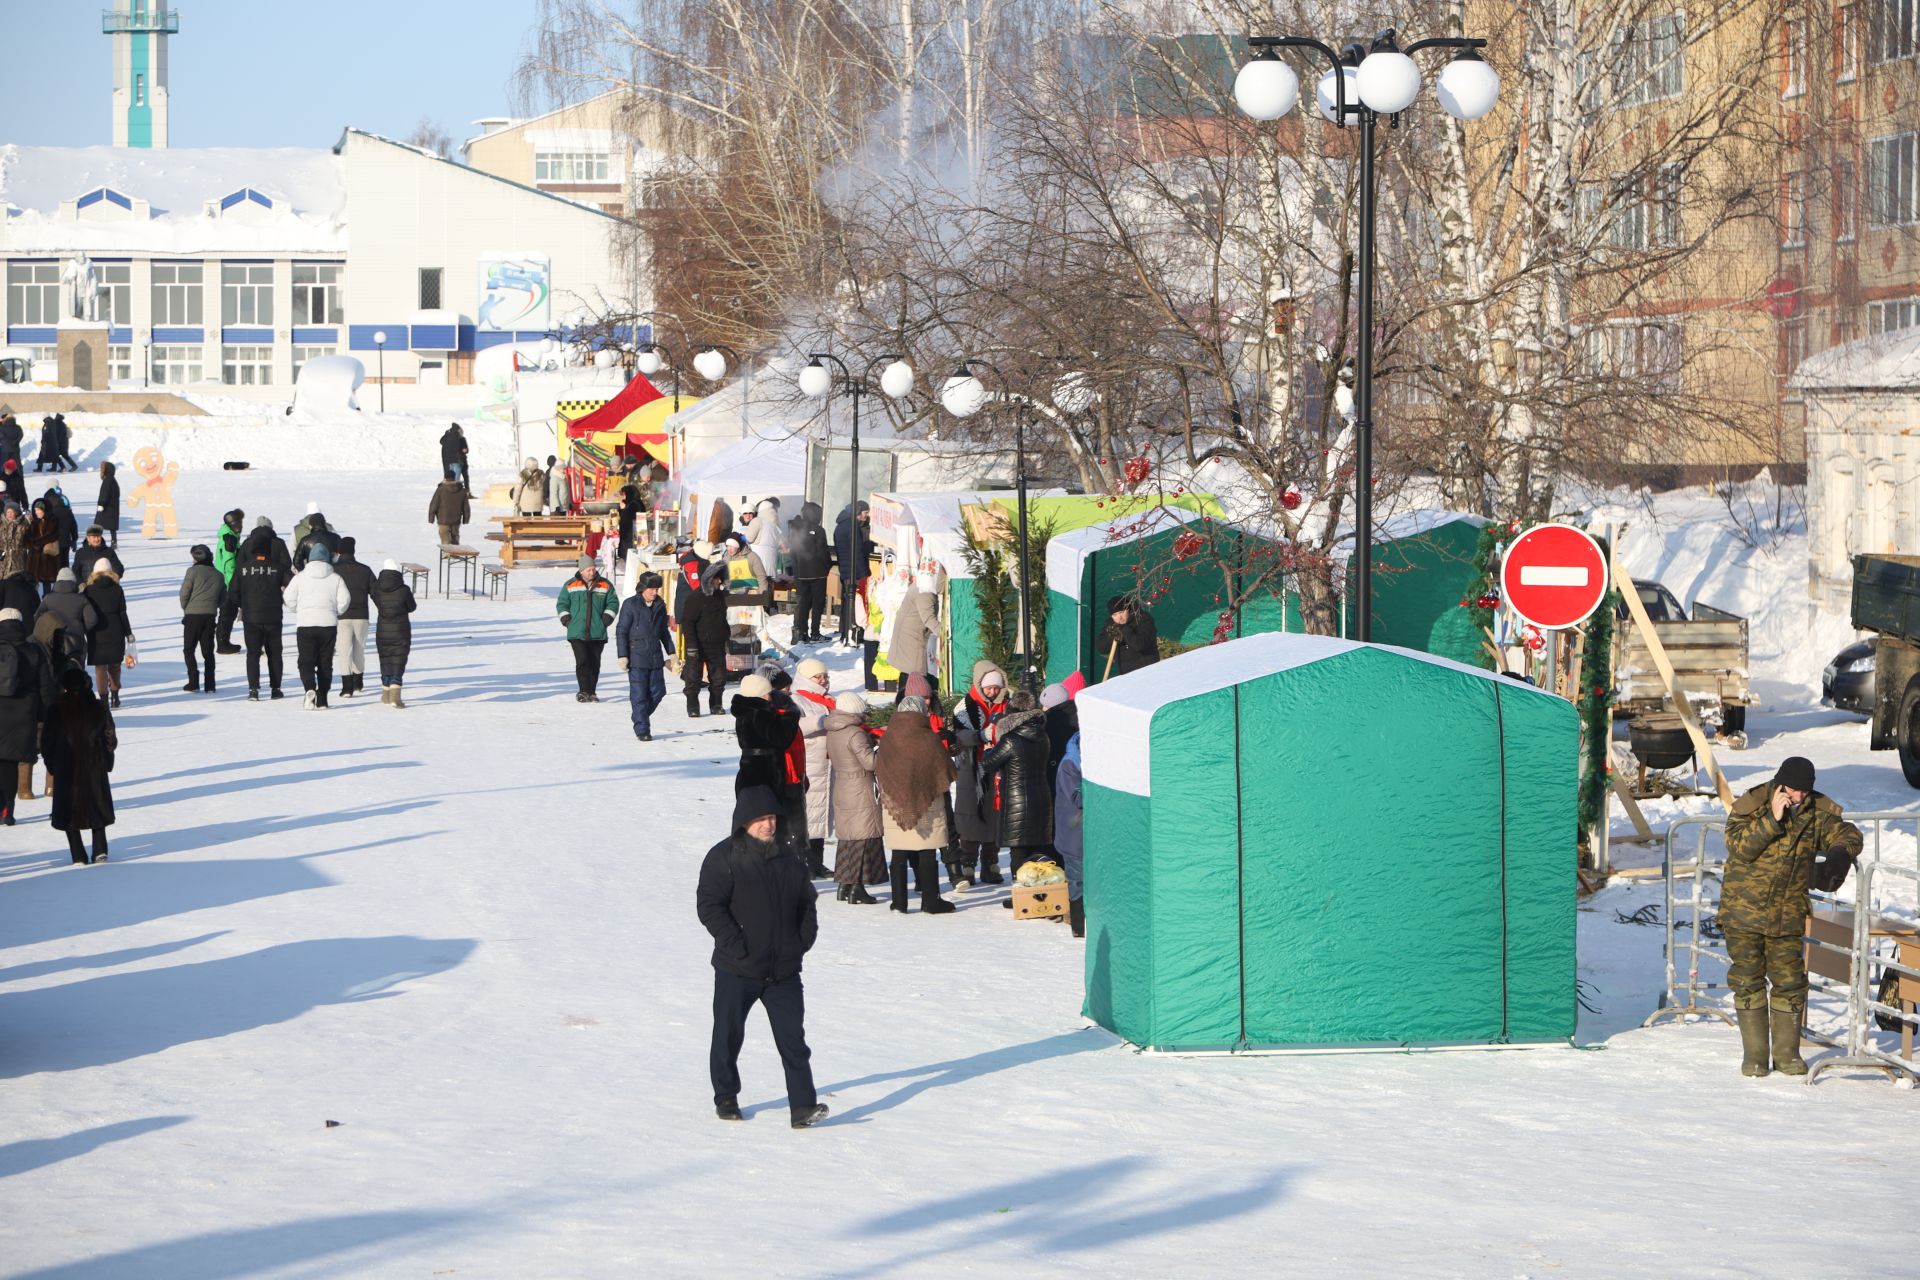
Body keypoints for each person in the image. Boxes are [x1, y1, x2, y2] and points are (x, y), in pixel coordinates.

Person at [1721, 757, 1863, 1077]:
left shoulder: (1815, 813)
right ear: (1779, 784)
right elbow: (1739, 847)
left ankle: (1786, 1055)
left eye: (1803, 792)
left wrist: (1839, 856)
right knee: (1747, 981)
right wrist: (1772, 819)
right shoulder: (1753, 805)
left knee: (1790, 983)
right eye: (1792, 790)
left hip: (1786, 916)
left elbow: (1848, 833)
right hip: (1743, 912)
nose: (1797, 797)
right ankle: (1755, 1057)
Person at [696, 784, 827, 1128]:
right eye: (759, 819)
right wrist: (735, 944)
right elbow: (709, 906)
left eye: (771, 818)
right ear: (743, 822)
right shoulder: (723, 857)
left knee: (793, 1041)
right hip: (736, 968)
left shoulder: (790, 857)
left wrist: (800, 942)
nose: (767, 825)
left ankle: (803, 1108)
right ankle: (726, 1097)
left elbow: (807, 902)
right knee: (727, 1035)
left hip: (783, 971)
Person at [873, 693, 957, 915]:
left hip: (895, 801)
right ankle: (931, 902)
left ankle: (898, 902)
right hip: (926, 800)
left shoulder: (889, 737)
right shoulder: (928, 738)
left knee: (899, 852)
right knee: (927, 850)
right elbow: (944, 767)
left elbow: (879, 765)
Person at [980, 688, 1054, 892]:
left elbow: (988, 764)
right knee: (1037, 848)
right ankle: (1039, 894)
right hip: (1041, 797)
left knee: (1018, 850)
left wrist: (987, 752)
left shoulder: (1010, 740)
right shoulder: (1042, 736)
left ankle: (1022, 896)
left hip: (1017, 801)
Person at [44, 668, 115, 865]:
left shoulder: (56, 709)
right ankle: (100, 849)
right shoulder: (99, 707)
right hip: (94, 765)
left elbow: (47, 742)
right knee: (97, 804)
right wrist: (107, 759)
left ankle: (77, 854)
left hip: (66, 767)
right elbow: (110, 737)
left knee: (69, 809)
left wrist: (52, 765)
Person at [949, 661, 1009, 889]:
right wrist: (980, 736)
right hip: (969, 767)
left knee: (994, 814)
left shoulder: (1006, 704)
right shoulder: (964, 706)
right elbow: (958, 735)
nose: (993, 692)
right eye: (989, 688)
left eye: (996, 688)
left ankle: (990, 863)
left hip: (997, 767)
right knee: (969, 815)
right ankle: (967, 863)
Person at [731, 673, 804, 849]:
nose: (771, 697)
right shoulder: (759, 713)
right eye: (767, 693)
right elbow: (782, 739)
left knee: (757, 817)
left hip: (752, 770)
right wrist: (791, 716)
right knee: (766, 818)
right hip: (764, 772)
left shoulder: (745, 712)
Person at [824, 692, 883, 904]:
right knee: (863, 838)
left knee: (848, 838)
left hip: (842, 785)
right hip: (860, 787)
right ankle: (858, 887)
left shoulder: (833, 730)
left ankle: (844, 885)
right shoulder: (856, 733)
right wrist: (882, 748)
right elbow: (870, 763)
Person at [0, 605, 55, 826]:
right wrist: (44, 716)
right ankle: (7, 811)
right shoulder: (33, 651)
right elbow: (45, 688)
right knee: (12, 765)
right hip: (23, 718)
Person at [284, 543, 351, 710]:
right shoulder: (336, 578)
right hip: (328, 624)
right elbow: (345, 600)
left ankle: (309, 688)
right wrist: (336, 611)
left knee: (306, 660)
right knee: (325, 662)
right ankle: (322, 699)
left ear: (309, 559)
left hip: (306, 624)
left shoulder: (300, 577)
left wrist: (298, 610)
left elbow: (288, 598)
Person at [234, 518, 292, 700]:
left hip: (251, 617)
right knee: (275, 654)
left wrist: (242, 605)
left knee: (252, 654)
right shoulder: (278, 568)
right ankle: (276, 688)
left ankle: (253, 690)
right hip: (274, 616)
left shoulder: (243, 569)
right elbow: (293, 585)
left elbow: (233, 593)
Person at [615, 570, 673, 740]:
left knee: (658, 692)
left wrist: (672, 653)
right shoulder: (630, 605)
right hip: (636, 657)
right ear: (642, 589)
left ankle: (639, 716)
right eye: (651, 589)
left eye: (657, 589)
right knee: (639, 695)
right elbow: (622, 631)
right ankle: (643, 730)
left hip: (655, 657)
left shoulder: (660, 605)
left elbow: (664, 632)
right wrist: (622, 655)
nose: (655, 593)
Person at [792, 658, 835, 877]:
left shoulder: (827, 700)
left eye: (825, 676)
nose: (823, 680)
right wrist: (822, 721)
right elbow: (794, 726)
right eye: (818, 677)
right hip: (809, 765)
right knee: (807, 816)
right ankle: (803, 863)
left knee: (821, 817)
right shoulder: (796, 699)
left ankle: (817, 862)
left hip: (827, 765)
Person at [556, 556, 618, 702]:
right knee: (582, 660)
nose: (592, 572)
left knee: (594, 662)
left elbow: (613, 603)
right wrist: (566, 620)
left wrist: (606, 619)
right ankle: (583, 691)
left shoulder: (605, 585)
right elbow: (562, 604)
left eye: (593, 569)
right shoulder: (570, 585)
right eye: (589, 569)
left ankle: (592, 692)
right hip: (576, 632)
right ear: (581, 570)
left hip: (598, 632)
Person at [681, 562, 731, 717]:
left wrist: (725, 634)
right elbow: (687, 623)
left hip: (717, 644)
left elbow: (722, 619)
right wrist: (691, 646)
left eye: (721, 579)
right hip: (697, 644)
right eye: (717, 579)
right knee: (693, 677)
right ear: (708, 579)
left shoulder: (720, 597)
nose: (720, 582)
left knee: (719, 677)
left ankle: (716, 704)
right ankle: (693, 706)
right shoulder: (695, 598)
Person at [82, 561, 134, 708]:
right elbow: (122, 613)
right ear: (110, 571)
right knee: (115, 666)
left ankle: (103, 699)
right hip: (116, 629)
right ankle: (115, 695)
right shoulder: (117, 589)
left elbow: (85, 613)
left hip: (96, 630)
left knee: (100, 668)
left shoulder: (88, 590)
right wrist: (128, 633)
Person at [330, 536, 375, 698]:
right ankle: (358, 683)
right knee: (359, 650)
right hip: (361, 615)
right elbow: (375, 592)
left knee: (344, 652)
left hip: (341, 616)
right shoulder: (365, 569)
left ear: (339, 551)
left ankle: (346, 687)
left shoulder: (333, 570)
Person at [371, 558, 417, 707]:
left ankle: (385, 694)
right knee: (399, 659)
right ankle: (395, 697)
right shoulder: (404, 590)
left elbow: (376, 600)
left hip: (382, 631)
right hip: (400, 631)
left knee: (385, 659)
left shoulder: (377, 589)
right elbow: (412, 607)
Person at [179, 544, 224, 693]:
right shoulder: (219, 575)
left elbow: (184, 593)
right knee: (208, 651)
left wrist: (186, 608)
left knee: (188, 649)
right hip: (210, 616)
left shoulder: (192, 572)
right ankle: (210, 684)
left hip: (192, 616)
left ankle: (193, 681)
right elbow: (223, 598)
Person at [885, 572, 940, 695]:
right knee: (913, 674)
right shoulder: (924, 591)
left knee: (910, 672)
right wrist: (946, 634)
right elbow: (929, 619)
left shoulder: (923, 584)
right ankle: (908, 705)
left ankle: (905, 703)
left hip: (910, 636)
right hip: (912, 639)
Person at [35, 567, 97, 670]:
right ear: (74, 582)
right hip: (77, 640)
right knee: (77, 672)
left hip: (53, 640)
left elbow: (37, 618)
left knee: (55, 672)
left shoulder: (48, 599)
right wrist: (82, 628)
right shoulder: (81, 599)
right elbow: (92, 619)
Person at [786, 502, 831, 643]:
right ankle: (815, 632)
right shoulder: (818, 530)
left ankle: (802, 631)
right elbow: (823, 552)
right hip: (818, 572)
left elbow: (792, 552)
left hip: (800, 573)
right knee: (817, 603)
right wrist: (827, 566)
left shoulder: (795, 529)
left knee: (803, 603)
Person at [1055, 731, 1086, 937]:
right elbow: (1077, 798)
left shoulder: (1079, 758)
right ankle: (1078, 927)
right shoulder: (1070, 764)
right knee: (1077, 880)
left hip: (1083, 832)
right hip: (1073, 834)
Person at [833, 501, 871, 643]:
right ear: (858, 512)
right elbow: (858, 553)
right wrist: (865, 574)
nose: (866, 517)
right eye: (865, 513)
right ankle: (852, 632)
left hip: (845, 570)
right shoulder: (852, 527)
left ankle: (845, 631)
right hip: (854, 571)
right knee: (855, 602)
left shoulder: (841, 525)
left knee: (847, 602)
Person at [213, 508, 246, 653]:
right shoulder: (229, 539)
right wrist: (233, 584)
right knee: (227, 613)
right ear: (235, 523)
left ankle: (223, 642)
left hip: (224, 581)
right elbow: (229, 564)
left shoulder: (230, 536)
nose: (242, 525)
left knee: (228, 613)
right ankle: (222, 643)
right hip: (227, 583)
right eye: (240, 522)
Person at [1104, 594, 1160, 678]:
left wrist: (1124, 629)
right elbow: (1101, 648)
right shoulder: (1112, 625)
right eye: (1114, 615)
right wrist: (1110, 637)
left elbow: (1140, 645)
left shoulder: (1143, 620)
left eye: (1121, 612)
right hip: (1125, 674)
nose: (1119, 617)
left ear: (1128, 609)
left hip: (1148, 670)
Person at [1041, 682, 1079, 797]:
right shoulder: (1078, 713)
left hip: (1056, 773)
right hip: (1075, 771)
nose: (1043, 708)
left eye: (1045, 705)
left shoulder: (1049, 722)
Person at [26, 499, 61, 596]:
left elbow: (52, 535)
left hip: (48, 557)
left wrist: (36, 543)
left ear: (45, 510)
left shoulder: (54, 520)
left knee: (47, 584)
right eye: (35, 510)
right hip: (34, 558)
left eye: (38, 510)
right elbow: (27, 537)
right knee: (32, 583)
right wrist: (33, 544)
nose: (36, 512)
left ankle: (47, 603)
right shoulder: (34, 522)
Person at [745, 498, 784, 576]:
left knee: (758, 584)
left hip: (757, 559)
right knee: (768, 582)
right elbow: (781, 543)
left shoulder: (757, 521)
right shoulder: (775, 524)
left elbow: (749, 538)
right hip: (771, 562)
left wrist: (743, 537)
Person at [429, 474, 470, 545]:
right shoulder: (462, 490)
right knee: (455, 538)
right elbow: (466, 507)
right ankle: (455, 554)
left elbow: (434, 504)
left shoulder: (441, 489)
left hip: (443, 519)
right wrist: (466, 519)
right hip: (456, 520)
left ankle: (447, 555)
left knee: (445, 539)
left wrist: (431, 518)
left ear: (445, 478)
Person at [94, 461, 119, 548]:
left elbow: (104, 494)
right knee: (111, 526)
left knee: (97, 524)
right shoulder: (113, 480)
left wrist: (101, 505)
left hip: (106, 507)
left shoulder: (107, 480)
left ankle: (96, 541)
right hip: (113, 508)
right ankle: (114, 541)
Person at [440, 423, 470, 493]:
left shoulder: (447, 437)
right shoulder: (457, 437)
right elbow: (460, 449)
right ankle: (455, 493)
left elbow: (441, 442)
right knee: (456, 480)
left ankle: (449, 492)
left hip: (449, 461)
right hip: (457, 460)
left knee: (450, 479)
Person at [0, 502, 28, 580]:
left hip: (18, 561)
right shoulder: (1, 525)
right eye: (8, 512)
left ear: (16, 513)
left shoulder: (23, 525)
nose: (9, 514)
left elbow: (28, 541)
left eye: (12, 512)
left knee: (16, 584)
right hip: (3, 562)